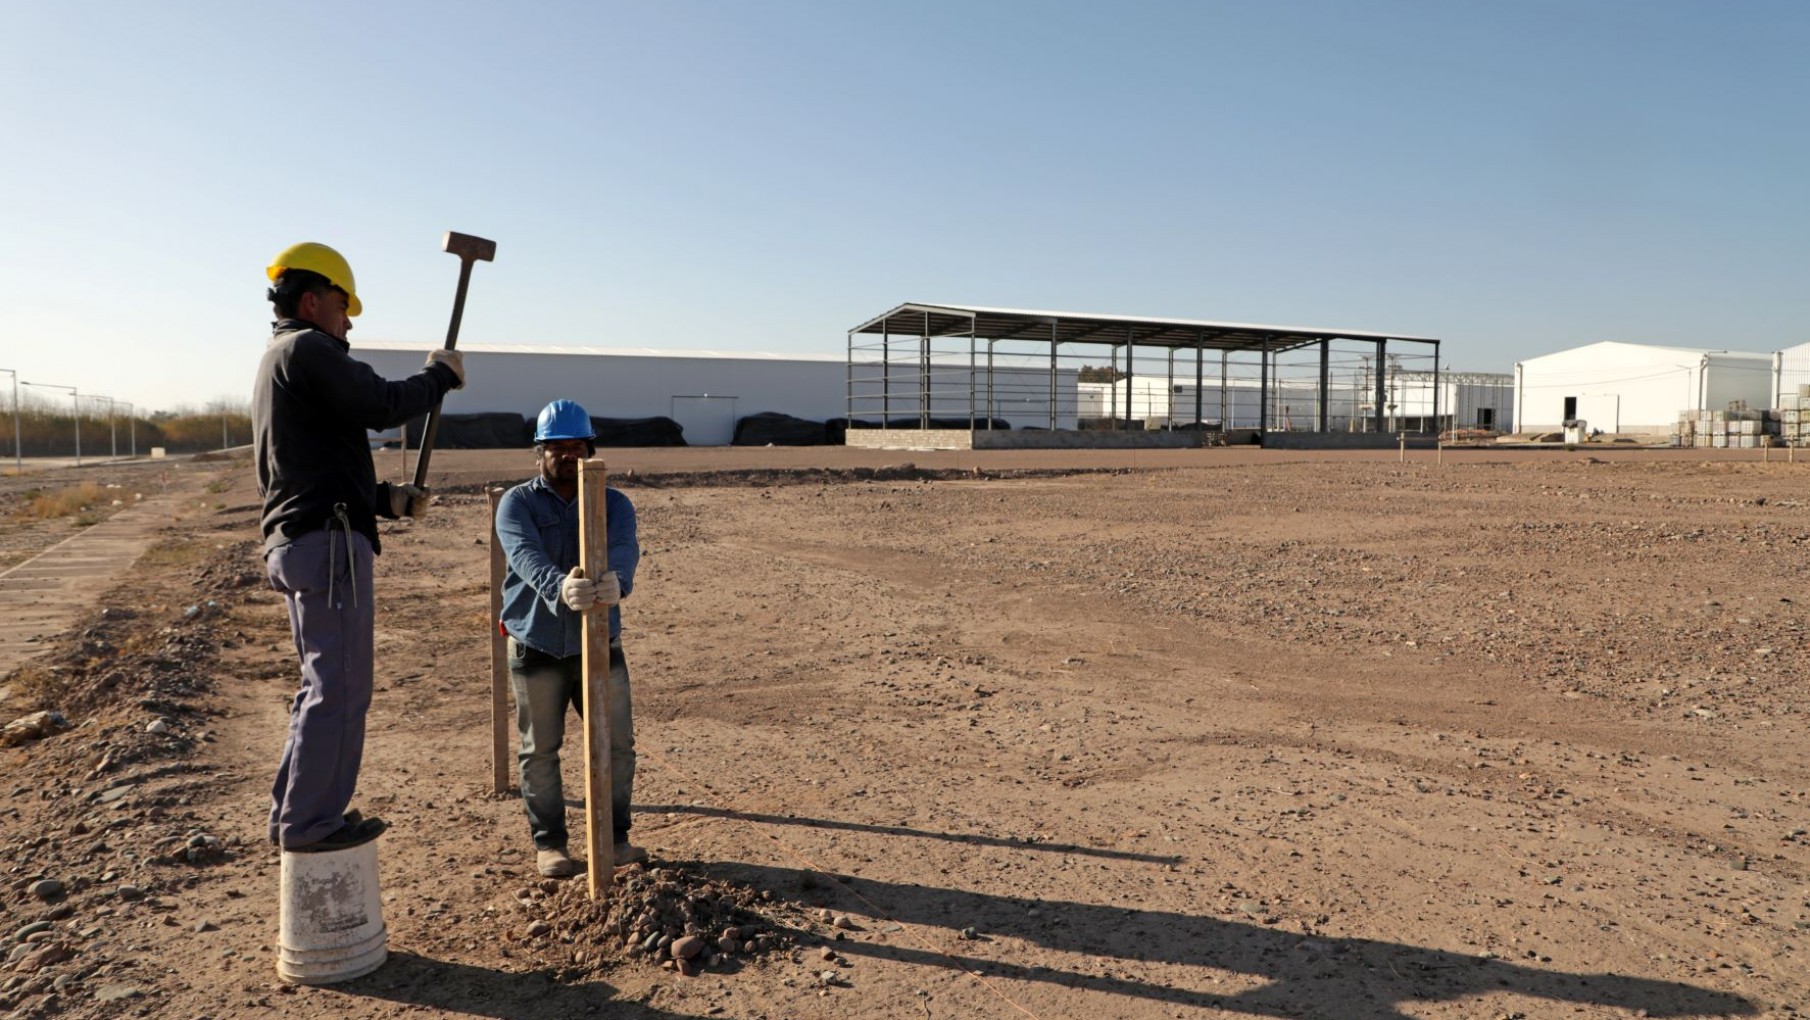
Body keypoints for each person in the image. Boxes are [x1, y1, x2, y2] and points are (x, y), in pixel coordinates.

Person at [252, 241, 467, 852]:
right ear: (312, 300)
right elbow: (381, 402)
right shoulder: (307, 349)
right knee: (340, 689)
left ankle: (291, 814)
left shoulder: (278, 362)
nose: (349, 323)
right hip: (326, 546)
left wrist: (385, 500)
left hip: (303, 541)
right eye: (345, 308)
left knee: (320, 687)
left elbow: (314, 469)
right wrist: (439, 377)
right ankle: (312, 824)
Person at [495, 399, 643, 877]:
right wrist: (559, 586)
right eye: (555, 447)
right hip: (536, 645)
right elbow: (524, 555)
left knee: (617, 744)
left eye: (576, 445)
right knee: (540, 749)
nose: (567, 454)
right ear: (538, 453)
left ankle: (615, 839)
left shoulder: (614, 502)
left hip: (600, 645)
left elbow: (623, 547)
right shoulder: (516, 503)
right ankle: (550, 845)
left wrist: (617, 579)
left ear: (590, 449)